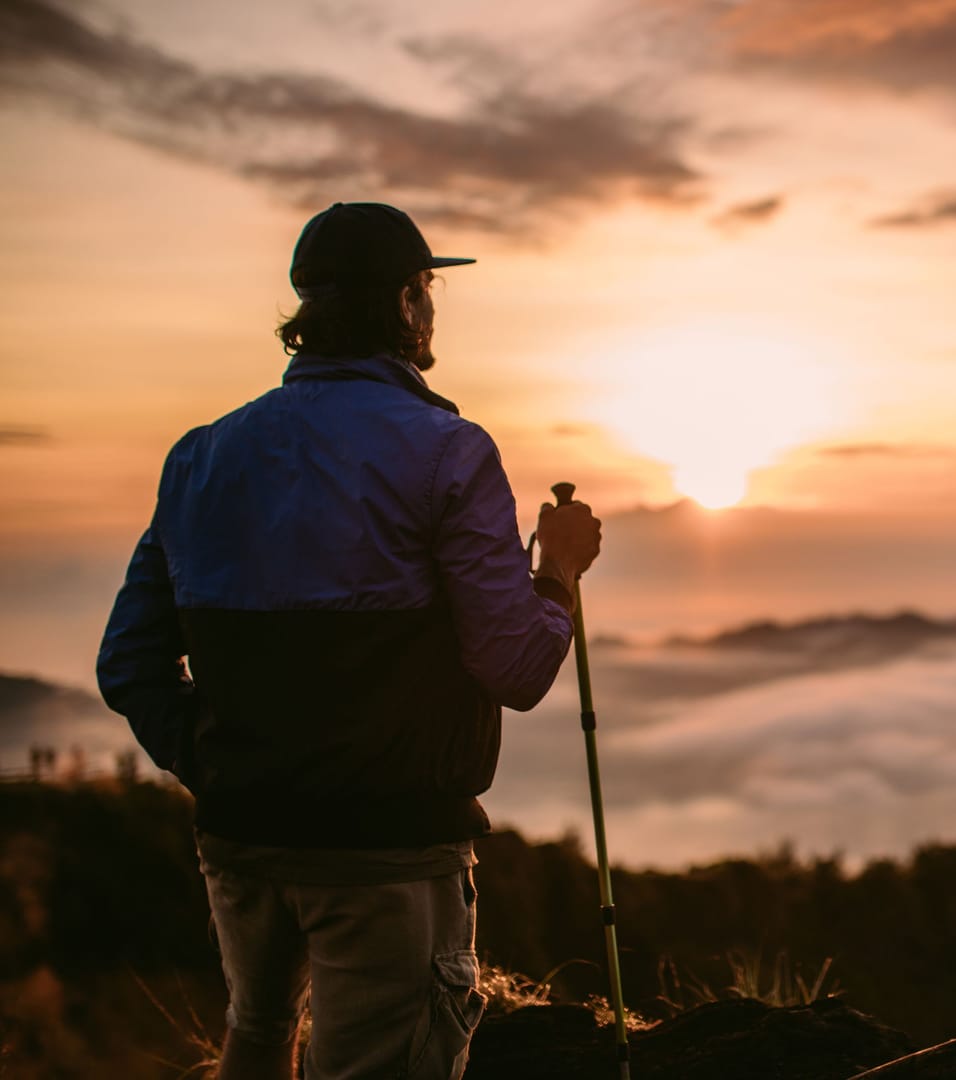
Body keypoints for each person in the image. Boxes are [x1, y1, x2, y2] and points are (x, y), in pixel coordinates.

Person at [97, 202, 602, 1079]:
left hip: (241, 840)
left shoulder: (201, 455)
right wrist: (557, 570)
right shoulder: (447, 452)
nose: (432, 311)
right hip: (387, 855)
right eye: (428, 292)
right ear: (408, 305)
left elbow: (129, 661)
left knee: (256, 1040)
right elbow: (516, 669)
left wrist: (219, 764)